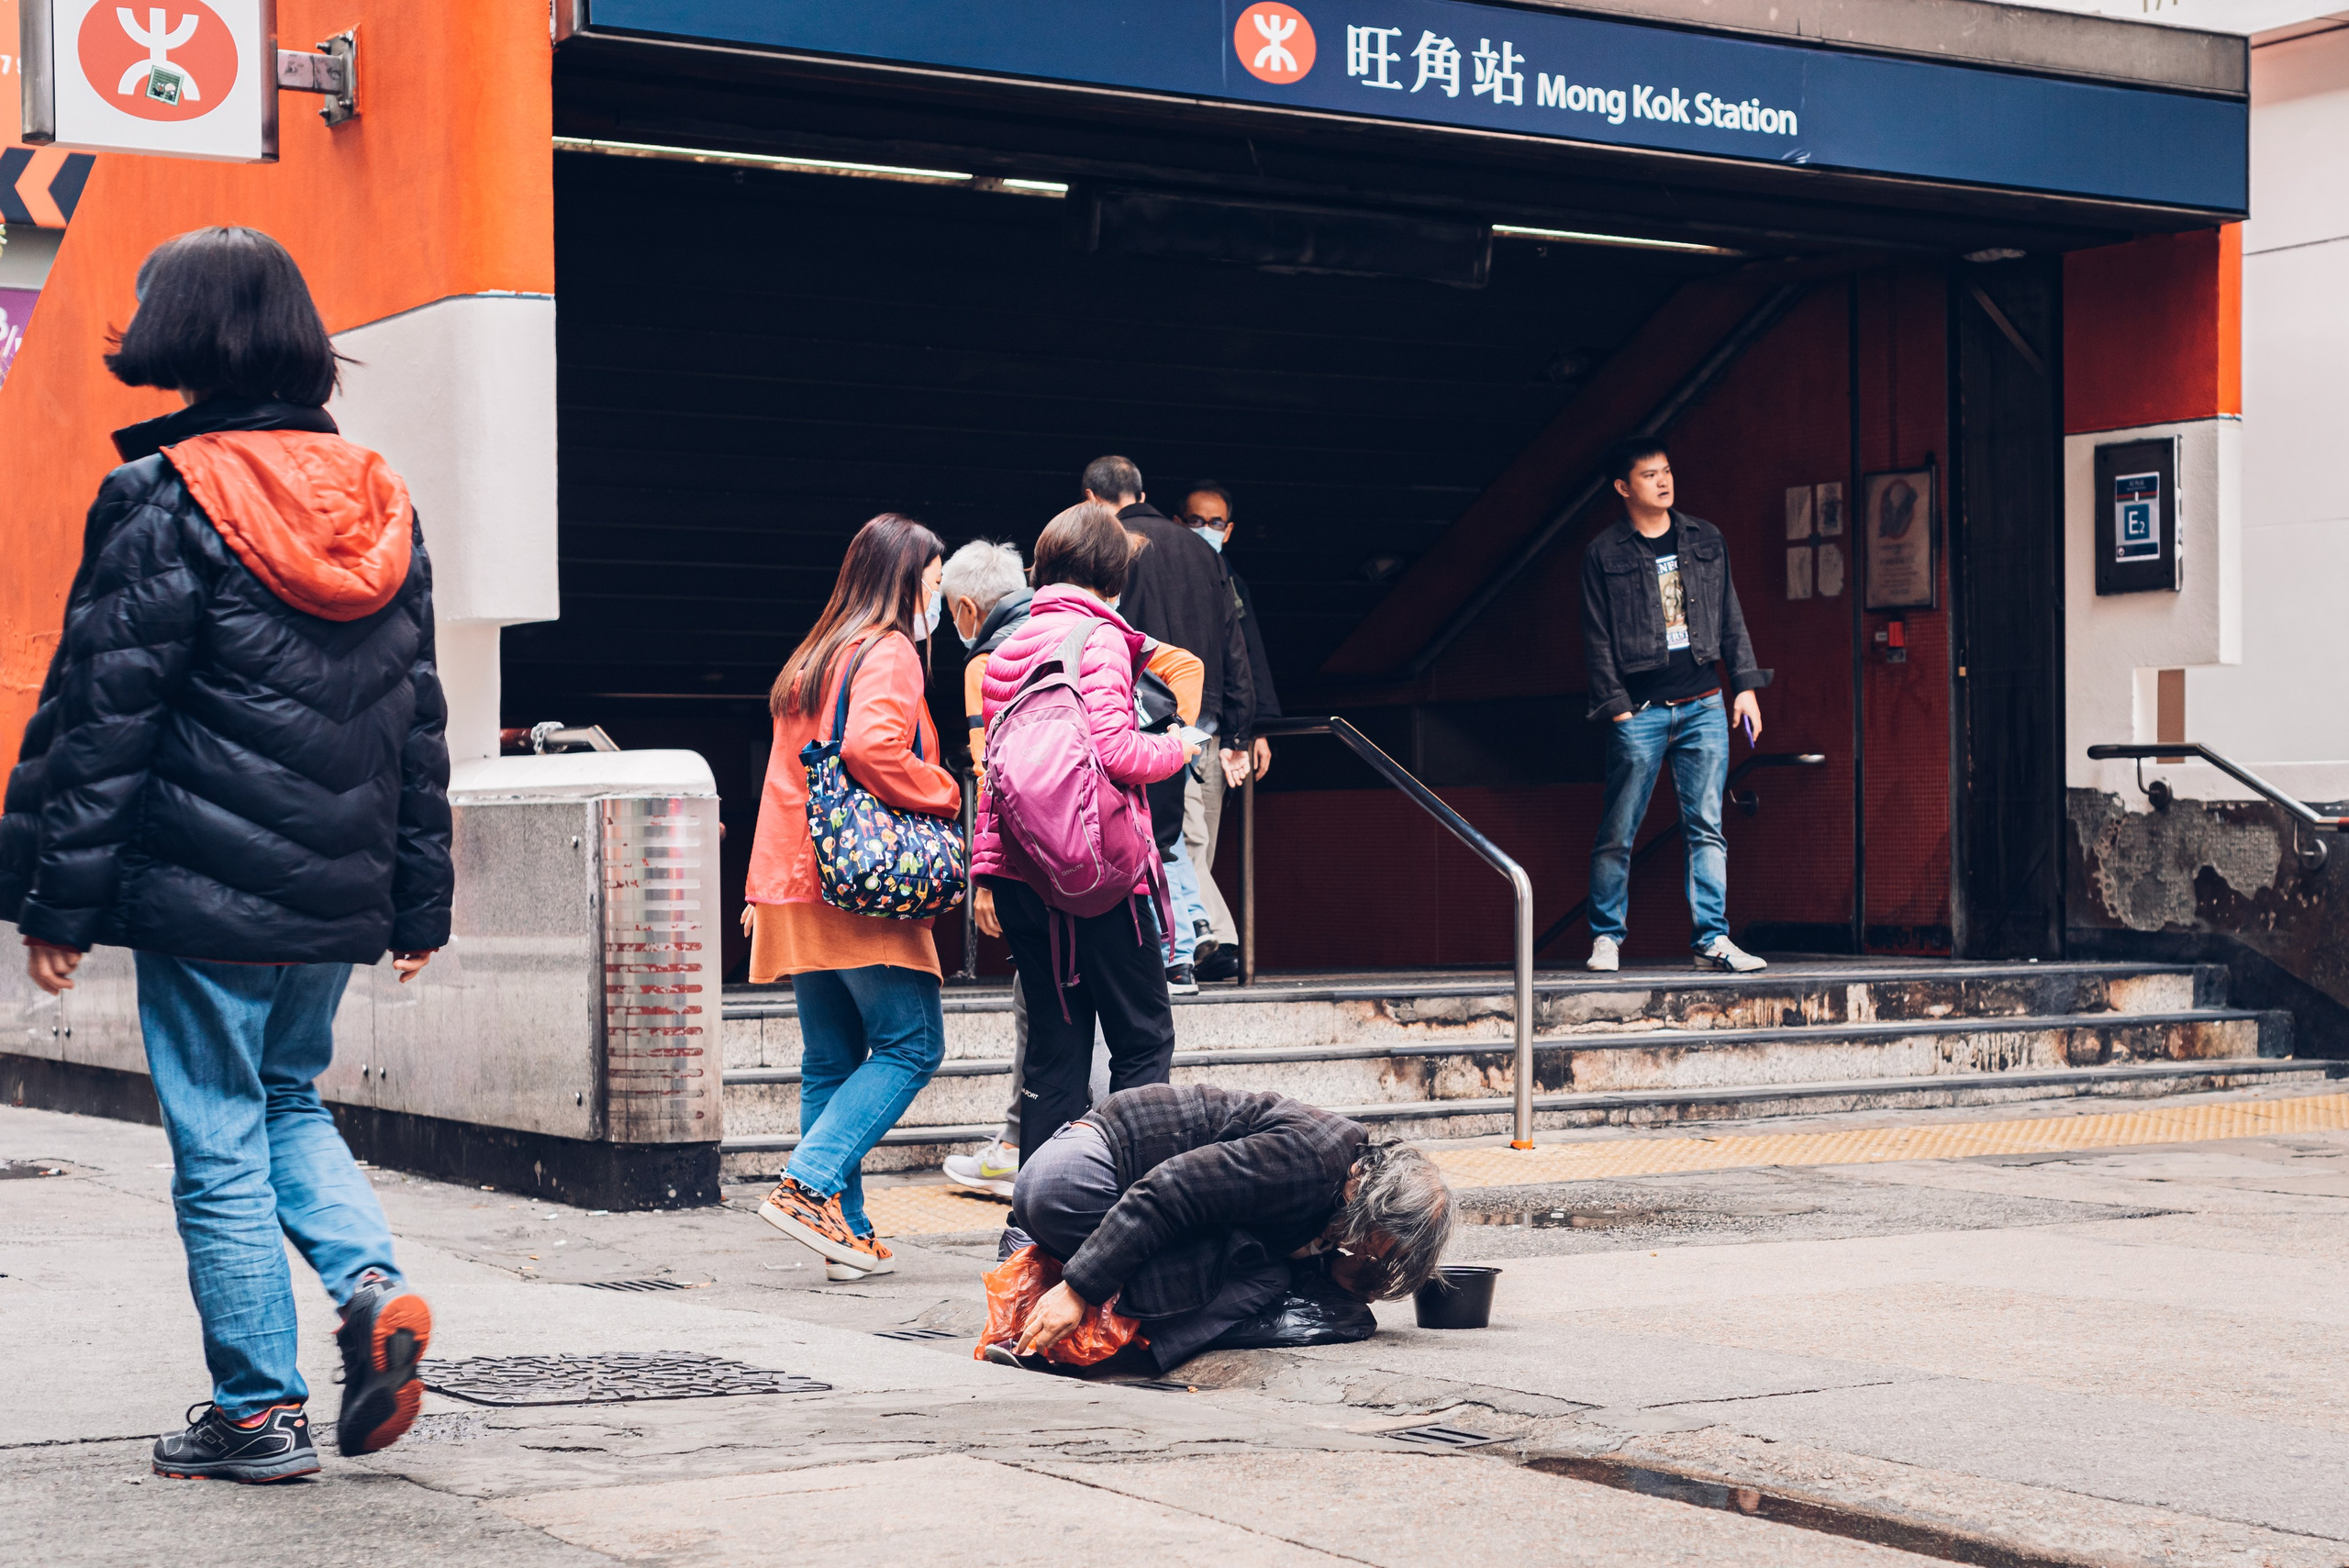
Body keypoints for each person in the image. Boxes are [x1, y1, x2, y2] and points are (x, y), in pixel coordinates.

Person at [0, 227, 449, 1482]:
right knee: (288, 1096)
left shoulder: (163, 495)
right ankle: (368, 1290)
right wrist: (418, 899)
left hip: (202, 885)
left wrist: (55, 897)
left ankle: (254, 1408)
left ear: (181, 332)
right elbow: (421, 715)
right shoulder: (383, 495)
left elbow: (102, 716)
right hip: (336, 886)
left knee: (216, 1134)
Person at [939, 537, 1201, 1198]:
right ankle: (1133, 1210)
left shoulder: (1006, 650)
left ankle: (1036, 1231)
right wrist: (1175, 745)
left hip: (1030, 880)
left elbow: (994, 777)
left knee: (1055, 1059)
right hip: (1104, 879)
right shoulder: (1101, 639)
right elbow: (1116, 749)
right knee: (1143, 1042)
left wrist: (986, 872)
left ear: (1042, 569)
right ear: (1113, 577)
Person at [746, 514, 963, 1280]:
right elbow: (874, 748)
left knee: (830, 1060)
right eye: (934, 581)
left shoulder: (815, 653)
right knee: (912, 1043)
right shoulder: (890, 650)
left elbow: (783, 776)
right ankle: (809, 1182)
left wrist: (760, 886)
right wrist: (945, 789)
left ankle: (846, 1232)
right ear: (906, 579)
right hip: (859, 882)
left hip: (795, 880)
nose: (937, 596)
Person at [997, 1083, 1454, 1374]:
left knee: (1253, 1265)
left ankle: (1035, 1303)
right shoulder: (1309, 1163)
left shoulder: (1345, 1167)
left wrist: (1337, 1267)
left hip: (1068, 1175)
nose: (1367, 1253)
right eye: (1376, 1245)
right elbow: (1168, 1189)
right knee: (1262, 1278)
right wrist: (1080, 1288)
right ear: (1375, 1204)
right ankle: (1114, 1343)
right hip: (1074, 1184)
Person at [1579, 437, 1772, 974]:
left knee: (1706, 826)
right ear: (1623, 488)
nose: (1663, 481)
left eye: (1666, 471)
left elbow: (1730, 613)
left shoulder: (1704, 538)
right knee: (1619, 830)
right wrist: (1618, 706)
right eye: (1648, 475)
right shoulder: (1604, 553)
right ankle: (1606, 939)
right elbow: (1595, 637)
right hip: (1640, 711)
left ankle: (1712, 939)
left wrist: (1745, 686)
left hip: (1705, 702)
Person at [1081, 456, 1252, 990]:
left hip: (1141, 707)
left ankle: (1186, 940)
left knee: (1152, 830)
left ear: (1091, 498)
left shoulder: (1110, 548)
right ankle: (1199, 934)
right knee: (1189, 833)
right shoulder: (1202, 553)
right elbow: (1233, 641)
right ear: (1141, 490)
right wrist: (1240, 726)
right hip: (1203, 710)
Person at [1174, 481, 1283, 983]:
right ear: (1178, 523)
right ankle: (1213, 936)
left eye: (1215, 523)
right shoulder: (1165, 572)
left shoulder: (1230, 581)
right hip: (1175, 727)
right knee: (1187, 836)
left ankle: (1194, 941)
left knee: (1204, 843)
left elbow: (1248, 657)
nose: (1205, 531)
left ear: (1229, 529)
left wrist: (1251, 728)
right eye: (1196, 521)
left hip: (1218, 732)